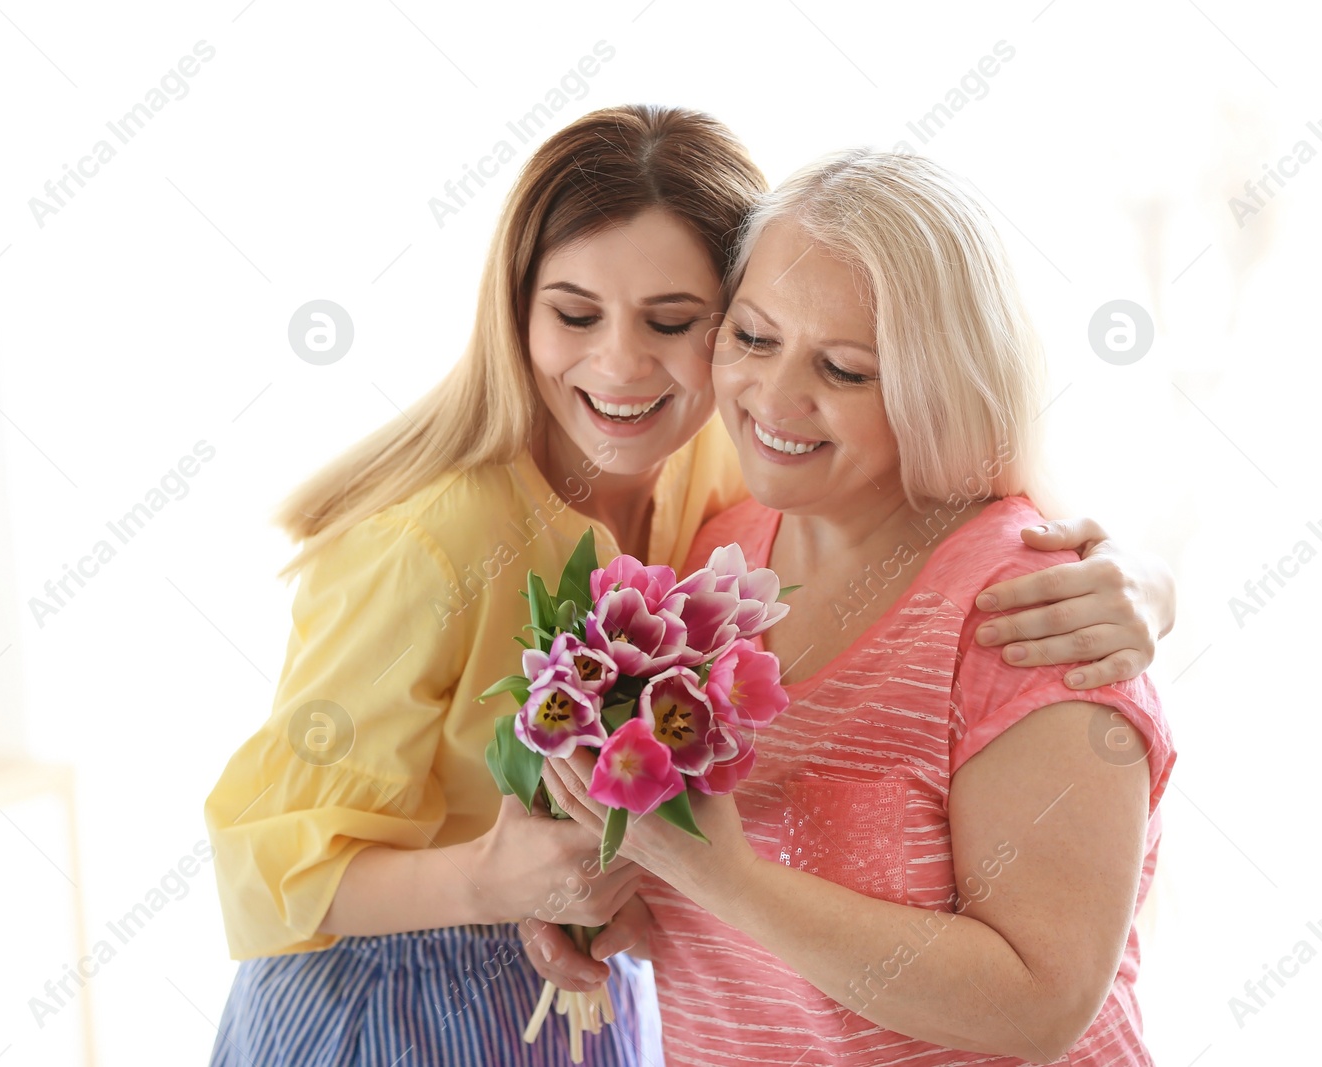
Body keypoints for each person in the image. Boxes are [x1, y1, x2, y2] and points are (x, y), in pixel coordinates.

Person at [206, 111, 1176, 1066]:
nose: (625, 363)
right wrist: (516, 889)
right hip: (384, 999)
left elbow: (1025, 986)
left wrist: (1149, 583)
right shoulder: (515, 539)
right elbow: (262, 867)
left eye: (674, 322)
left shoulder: (713, 485)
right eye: (754, 340)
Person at [538, 149, 1176, 1065]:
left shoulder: (1030, 612)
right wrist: (594, 907)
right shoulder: (706, 561)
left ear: (939, 385)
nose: (776, 396)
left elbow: (1042, 1001)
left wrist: (726, 879)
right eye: (754, 338)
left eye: (844, 370)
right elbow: (747, 954)